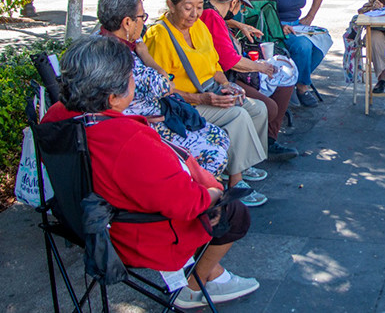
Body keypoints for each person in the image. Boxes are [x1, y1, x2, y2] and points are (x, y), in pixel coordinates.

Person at [43, 35, 259, 309]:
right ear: (112, 96)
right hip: (128, 234)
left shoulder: (54, 115)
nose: (136, 80)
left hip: (79, 218)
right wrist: (214, 192)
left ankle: (212, 274)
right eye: (132, 76)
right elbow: (186, 203)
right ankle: (193, 286)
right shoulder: (126, 139)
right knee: (234, 211)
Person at [144, 0, 270, 207]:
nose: (194, 14)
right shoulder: (158, 37)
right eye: (188, 8)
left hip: (208, 93)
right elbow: (160, 90)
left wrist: (226, 85)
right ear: (171, 5)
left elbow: (214, 67)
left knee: (258, 109)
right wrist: (202, 98)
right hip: (181, 105)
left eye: (199, 7)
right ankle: (235, 181)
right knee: (237, 114)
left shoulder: (200, 27)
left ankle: (241, 163)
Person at [97, 0, 230, 178]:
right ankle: (191, 195)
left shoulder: (100, 42)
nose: (143, 23)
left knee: (219, 136)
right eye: (141, 17)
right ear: (127, 22)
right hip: (141, 129)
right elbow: (166, 84)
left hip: (147, 119)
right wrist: (145, 53)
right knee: (215, 154)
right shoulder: (125, 57)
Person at [200, 0, 298, 158]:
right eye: (241, 7)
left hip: (225, 74)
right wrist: (262, 67)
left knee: (283, 81)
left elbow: (220, 22)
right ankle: (255, 147)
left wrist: (238, 24)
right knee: (270, 106)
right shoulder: (210, 16)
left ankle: (269, 141)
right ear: (234, 2)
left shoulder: (212, 12)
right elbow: (231, 61)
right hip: (222, 78)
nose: (240, 12)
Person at [249, 0, 326, 107]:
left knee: (323, 40)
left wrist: (310, 16)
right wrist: (279, 26)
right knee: (303, 46)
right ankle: (302, 88)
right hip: (274, 29)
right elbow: (255, 10)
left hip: (298, 24)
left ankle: (292, 79)